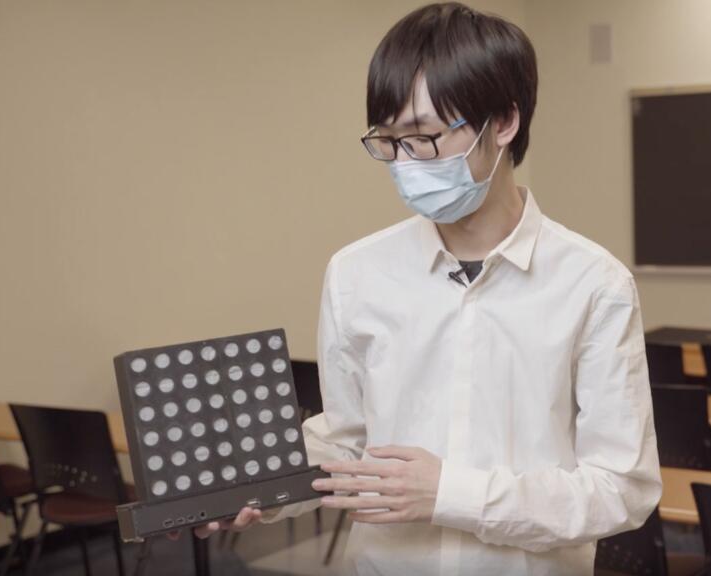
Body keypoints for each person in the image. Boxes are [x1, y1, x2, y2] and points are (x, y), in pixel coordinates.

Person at [196, 3, 661, 574]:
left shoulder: (594, 284)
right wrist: (258, 484)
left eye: (425, 137)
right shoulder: (355, 273)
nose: (406, 163)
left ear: (504, 122)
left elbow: (621, 488)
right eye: (389, 142)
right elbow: (348, 443)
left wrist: (450, 494)